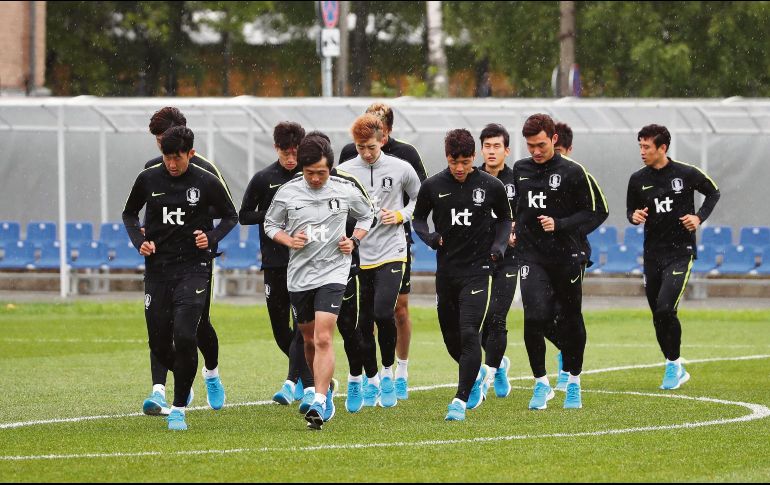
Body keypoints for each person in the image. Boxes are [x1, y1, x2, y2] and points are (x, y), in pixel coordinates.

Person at [123, 126, 238, 430]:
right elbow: (129, 214)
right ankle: (185, 377)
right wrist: (139, 242)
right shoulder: (148, 178)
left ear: (190, 153)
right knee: (159, 342)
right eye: (167, 157)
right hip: (158, 269)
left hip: (193, 268)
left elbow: (231, 215)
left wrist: (211, 237)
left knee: (186, 335)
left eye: (178, 157)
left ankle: (178, 408)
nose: (172, 164)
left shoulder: (206, 180)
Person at [264, 134, 374, 430]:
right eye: (310, 172)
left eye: (321, 173)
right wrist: (289, 239)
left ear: (330, 168)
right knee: (309, 339)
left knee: (324, 336)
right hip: (300, 276)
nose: (315, 178)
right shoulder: (287, 192)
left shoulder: (345, 189)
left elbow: (367, 216)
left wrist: (354, 240)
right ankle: (319, 388)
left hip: (333, 272)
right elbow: (270, 224)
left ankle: (321, 400)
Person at [412, 128, 512, 421]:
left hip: (479, 271)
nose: (459, 168)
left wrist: (499, 246)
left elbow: (505, 219)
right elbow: (418, 219)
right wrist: (430, 237)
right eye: (454, 162)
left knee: (470, 332)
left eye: (465, 162)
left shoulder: (491, 186)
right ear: (447, 157)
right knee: (451, 338)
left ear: (473, 157)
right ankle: (476, 373)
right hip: (447, 273)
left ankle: (460, 399)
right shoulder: (432, 186)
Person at [511, 113, 604, 411]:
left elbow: (595, 212)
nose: (536, 151)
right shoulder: (520, 169)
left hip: (566, 256)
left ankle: (573, 381)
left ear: (553, 139)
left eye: (541, 145)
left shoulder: (573, 172)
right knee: (533, 317)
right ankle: (541, 383)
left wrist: (560, 224)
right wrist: (512, 228)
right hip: (531, 256)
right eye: (530, 146)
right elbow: (517, 207)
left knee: (571, 318)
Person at [141, 107, 229, 416]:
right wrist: (145, 232)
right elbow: (152, 209)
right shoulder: (152, 169)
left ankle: (211, 373)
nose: (161, 146)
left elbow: (224, 209)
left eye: (164, 137)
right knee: (160, 325)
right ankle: (160, 390)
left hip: (195, 259)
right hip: (163, 261)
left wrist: (201, 226)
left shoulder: (205, 169)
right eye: (158, 140)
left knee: (196, 325)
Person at [340, 103, 428, 399]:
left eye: (371, 147)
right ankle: (372, 379)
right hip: (359, 252)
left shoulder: (401, 167)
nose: (366, 153)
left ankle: (390, 371)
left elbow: (421, 198)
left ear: (382, 140)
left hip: (393, 250)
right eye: (360, 147)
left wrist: (401, 214)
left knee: (384, 312)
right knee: (362, 322)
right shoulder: (344, 172)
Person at [627, 124, 720, 390]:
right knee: (658, 314)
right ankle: (674, 364)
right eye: (640, 146)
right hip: (652, 254)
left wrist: (698, 217)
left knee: (666, 308)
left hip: (680, 252)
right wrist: (635, 216)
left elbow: (713, 192)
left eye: (647, 147)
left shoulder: (686, 173)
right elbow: (631, 211)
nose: (642, 151)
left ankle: (673, 364)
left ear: (663, 148)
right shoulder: (637, 179)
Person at [239, 121, 315, 409]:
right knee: (280, 330)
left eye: (295, 152)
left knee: (301, 326)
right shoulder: (264, 178)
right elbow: (244, 215)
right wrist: (273, 216)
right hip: (273, 262)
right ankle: (309, 375)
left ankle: (295, 383)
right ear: (276, 148)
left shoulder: (312, 175)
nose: (291, 158)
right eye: (286, 152)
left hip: (305, 262)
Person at [550, 121, 609, 391]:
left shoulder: (578, 175)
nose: (556, 157)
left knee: (567, 311)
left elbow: (601, 210)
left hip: (573, 253)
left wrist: (572, 231)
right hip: (541, 254)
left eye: (560, 151)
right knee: (540, 314)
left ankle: (569, 368)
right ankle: (567, 351)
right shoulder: (534, 175)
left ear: (569, 149)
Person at [475, 123, 516, 403]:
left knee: (497, 318)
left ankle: (488, 376)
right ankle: (500, 364)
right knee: (478, 323)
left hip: (509, 260)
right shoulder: (473, 179)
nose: (491, 151)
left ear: (506, 150)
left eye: (497, 146)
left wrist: (516, 231)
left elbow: (525, 213)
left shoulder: (518, 180)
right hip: (478, 260)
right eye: (487, 146)